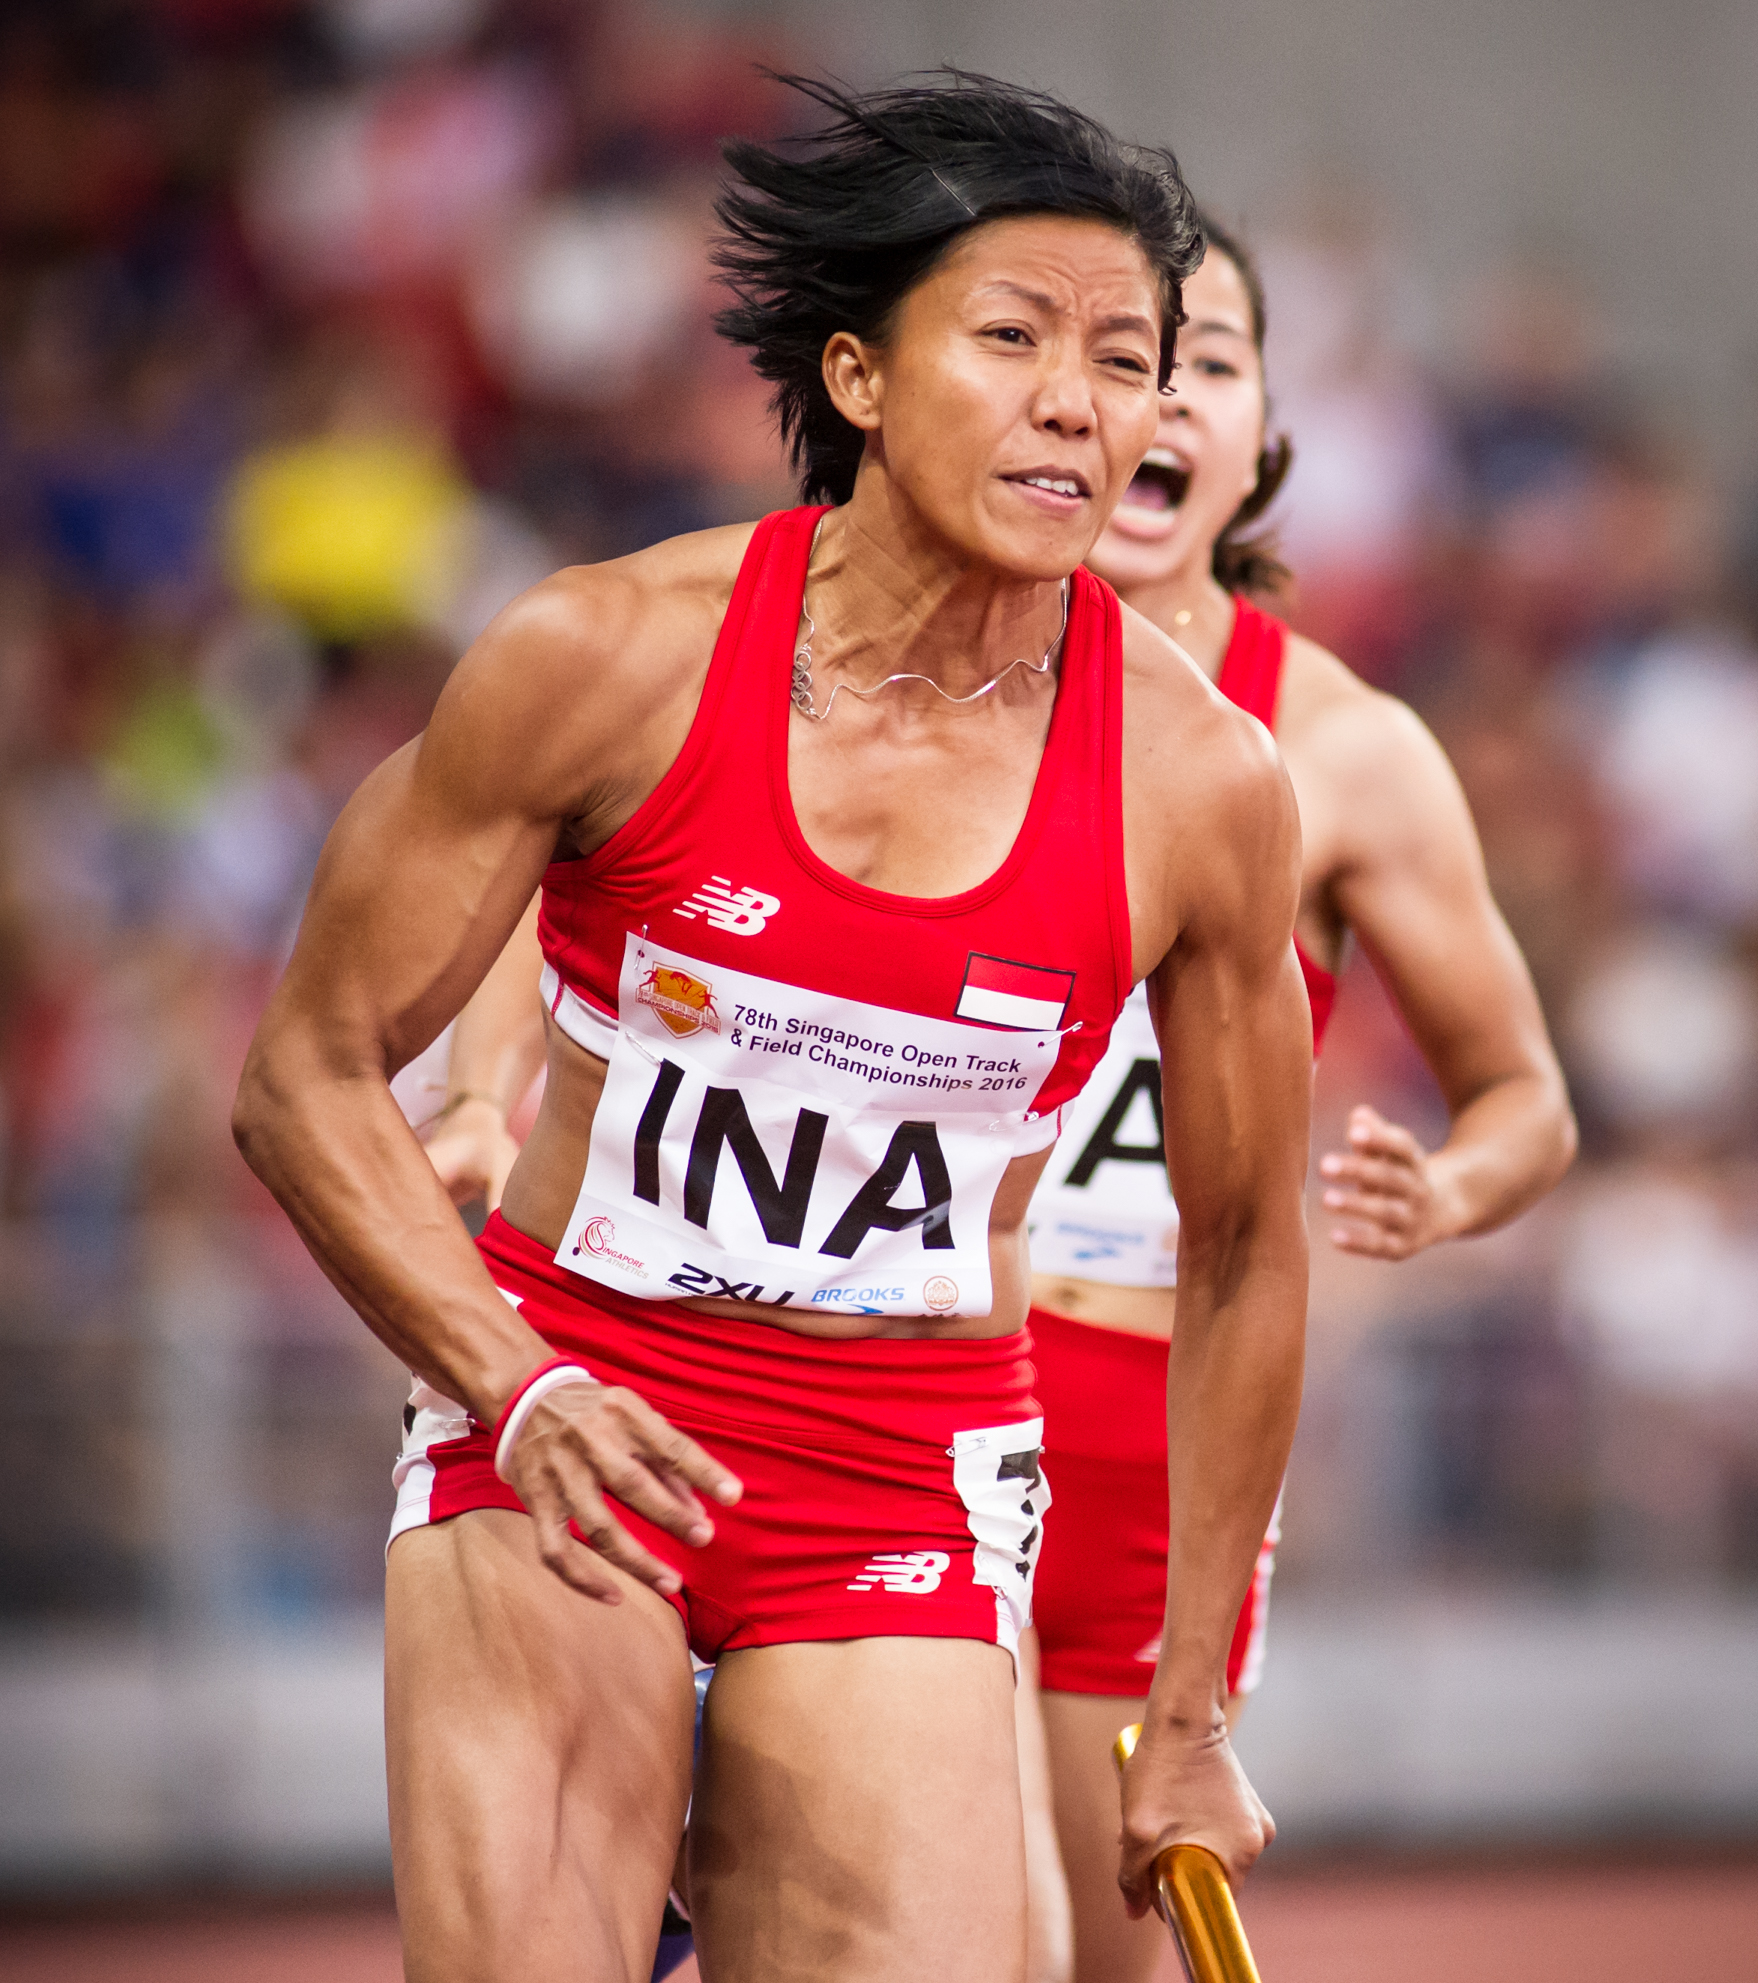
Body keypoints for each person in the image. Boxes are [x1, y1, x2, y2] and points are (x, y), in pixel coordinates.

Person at [233, 76, 1314, 1983]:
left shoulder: (1200, 788)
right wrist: (512, 1380)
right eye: (1013, 338)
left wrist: (1199, 1705)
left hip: (904, 1465)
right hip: (578, 1400)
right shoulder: (604, 658)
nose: (1083, 400)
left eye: (1129, 359)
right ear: (864, 376)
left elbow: (1243, 1248)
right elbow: (303, 1071)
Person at [1016, 220, 1577, 1983]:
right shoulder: (922, 692)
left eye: (1212, 361)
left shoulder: (1344, 750)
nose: (1162, 398)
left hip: (1140, 1427)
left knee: (1095, 1956)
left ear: (1262, 441)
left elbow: (1529, 1099)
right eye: (1125, 358)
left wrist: (1454, 1190)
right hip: (898, 1365)